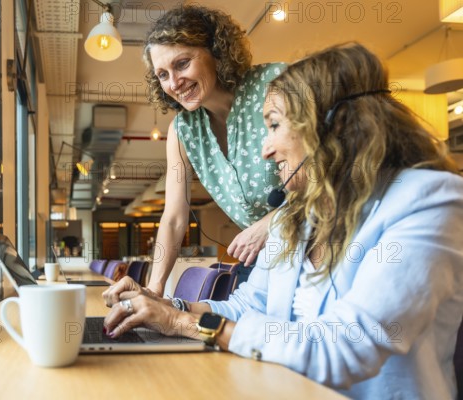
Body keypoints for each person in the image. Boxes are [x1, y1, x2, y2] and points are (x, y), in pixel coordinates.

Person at [102, 42, 463, 399]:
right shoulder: (296, 215)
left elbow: (341, 348)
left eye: (274, 125)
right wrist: (166, 307)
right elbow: (247, 307)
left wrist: (184, 323)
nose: (265, 148)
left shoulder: (429, 201)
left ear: (331, 127)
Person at [139, 5, 286, 297]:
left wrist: (273, 223)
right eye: (162, 74)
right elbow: (174, 218)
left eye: (182, 64)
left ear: (216, 51)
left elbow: (328, 175)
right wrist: (154, 290)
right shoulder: (182, 130)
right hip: (260, 262)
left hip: (317, 249)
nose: (174, 83)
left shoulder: (275, 85)